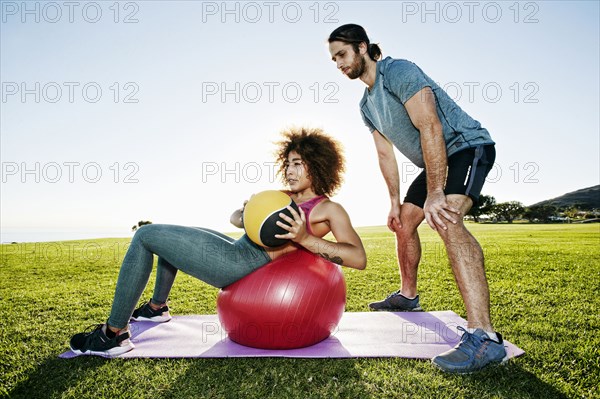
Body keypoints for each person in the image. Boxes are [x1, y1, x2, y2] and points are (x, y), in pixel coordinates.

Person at [69, 127, 366, 357]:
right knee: (174, 235)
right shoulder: (281, 197)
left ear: (318, 166)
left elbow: (357, 258)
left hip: (240, 265)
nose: (289, 170)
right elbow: (236, 220)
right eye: (287, 163)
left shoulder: (329, 210)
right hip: (239, 247)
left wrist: (304, 238)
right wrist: (247, 211)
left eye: (298, 164)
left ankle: (113, 334)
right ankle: (156, 308)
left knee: (146, 236)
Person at [327, 24, 506, 374]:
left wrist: (437, 192)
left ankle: (484, 337)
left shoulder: (400, 71)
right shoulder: (366, 104)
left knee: (446, 219)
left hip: (466, 147)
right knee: (404, 223)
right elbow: (385, 155)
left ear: (362, 47)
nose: (337, 64)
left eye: (342, 55)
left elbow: (431, 127)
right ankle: (408, 297)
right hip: (434, 158)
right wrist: (394, 202)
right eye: (333, 59)